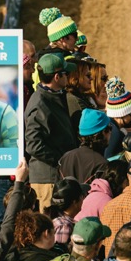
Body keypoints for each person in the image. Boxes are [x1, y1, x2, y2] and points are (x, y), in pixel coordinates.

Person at [26, 54, 79, 209]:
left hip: (54, 176)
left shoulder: (54, 96)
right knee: (49, 227)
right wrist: (60, 160)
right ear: (57, 76)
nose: (69, 77)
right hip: (46, 180)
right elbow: (33, 145)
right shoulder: (40, 104)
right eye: (66, 73)